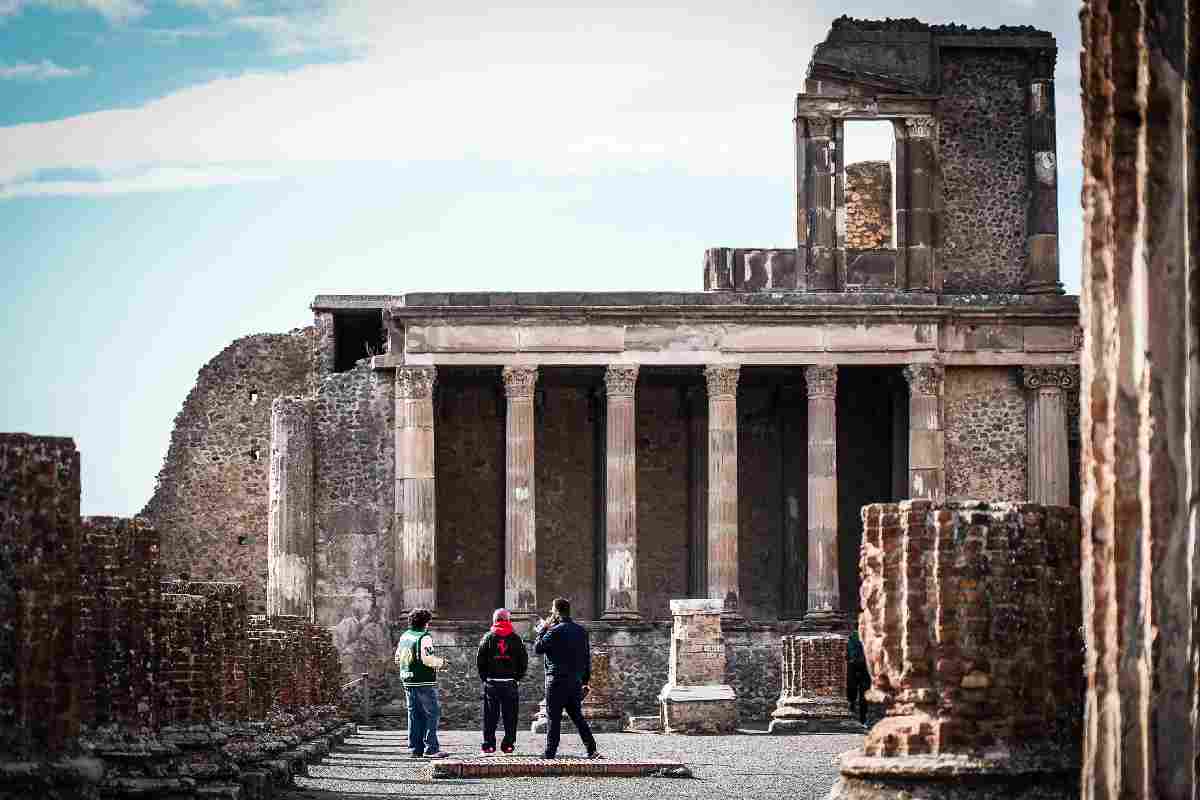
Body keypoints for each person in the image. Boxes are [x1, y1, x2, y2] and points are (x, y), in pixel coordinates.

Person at [533, 597, 598, 759]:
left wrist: (543, 629)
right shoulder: (581, 631)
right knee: (577, 716)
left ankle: (550, 752)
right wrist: (585, 681)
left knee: (553, 717)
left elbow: (538, 648)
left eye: (552, 610)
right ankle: (592, 750)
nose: (550, 612)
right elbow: (586, 657)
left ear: (556, 611)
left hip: (556, 680)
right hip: (575, 680)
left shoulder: (554, 631)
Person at [394, 608, 448, 759]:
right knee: (432, 713)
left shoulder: (405, 636)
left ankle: (415, 748)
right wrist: (441, 663)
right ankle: (431, 748)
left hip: (407, 679)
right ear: (425, 623)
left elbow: (397, 658)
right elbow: (427, 660)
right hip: (422, 680)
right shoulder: (424, 637)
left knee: (414, 714)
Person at [476, 607, 529, 754]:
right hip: (509, 683)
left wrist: (485, 678)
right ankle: (508, 745)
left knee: (490, 716)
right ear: (508, 620)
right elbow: (523, 661)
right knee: (510, 716)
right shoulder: (515, 638)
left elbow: (480, 661)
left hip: (492, 682)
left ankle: (489, 745)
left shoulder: (487, 637)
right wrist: (517, 678)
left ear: (494, 620)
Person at [846, 628, 870, 725]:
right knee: (862, 694)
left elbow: (848, 653)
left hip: (854, 666)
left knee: (853, 692)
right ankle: (862, 718)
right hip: (864, 667)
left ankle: (854, 713)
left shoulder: (851, 637)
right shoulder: (867, 636)